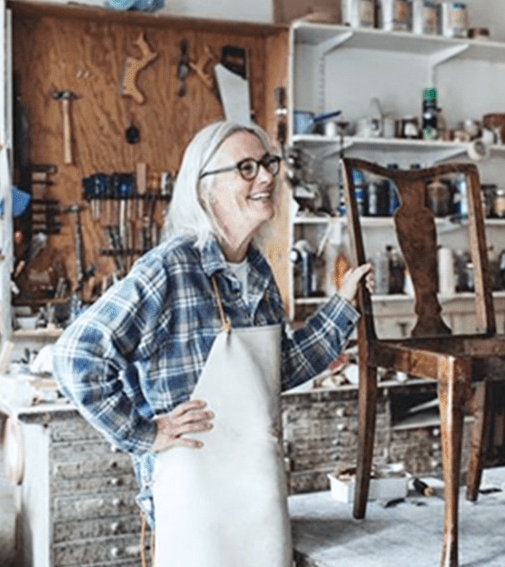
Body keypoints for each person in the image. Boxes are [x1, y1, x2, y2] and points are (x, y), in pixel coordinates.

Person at [52, 120, 372, 567]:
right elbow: (75, 356)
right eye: (246, 168)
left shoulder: (257, 271)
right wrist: (146, 432)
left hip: (256, 487)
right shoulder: (171, 268)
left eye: (267, 164)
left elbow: (275, 371)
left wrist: (341, 307)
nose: (265, 177)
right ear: (206, 190)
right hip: (192, 490)